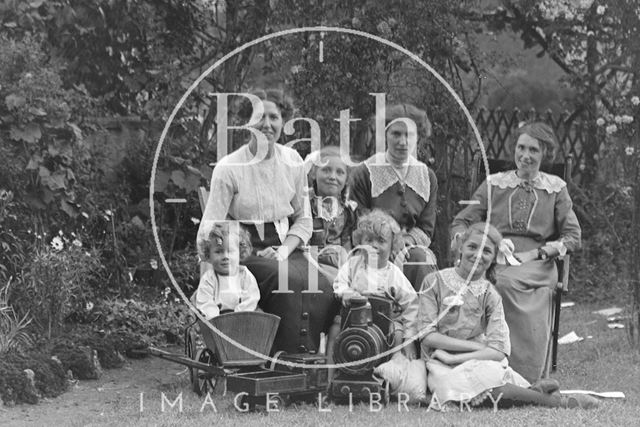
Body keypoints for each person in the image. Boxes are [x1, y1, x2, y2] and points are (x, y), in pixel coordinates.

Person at [197, 88, 339, 354]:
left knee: (320, 286)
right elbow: (210, 227)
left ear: (283, 122)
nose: (267, 124)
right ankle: (282, 356)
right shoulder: (229, 168)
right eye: (259, 117)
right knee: (284, 280)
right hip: (243, 249)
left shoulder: (292, 161)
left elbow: (303, 220)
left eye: (274, 117)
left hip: (285, 246)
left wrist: (284, 250)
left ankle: (307, 355)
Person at [450, 121, 581, 383]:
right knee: (497, 280)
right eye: (521, 148)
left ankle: (523, 372)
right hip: (495, 257)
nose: (525, 156)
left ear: (545, 154)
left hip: (537, 262)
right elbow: (462, 221)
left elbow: (573, 237)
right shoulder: (494, 184)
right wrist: (466, 243)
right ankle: (481, 364)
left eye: (533, 150)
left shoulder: (555, 188)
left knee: (508, 285)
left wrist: (538, 254)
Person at [419, 222, 598, 409]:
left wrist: (455, 357)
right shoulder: (434, 282)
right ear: (461, 247)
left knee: (490, 379)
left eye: (486, 251)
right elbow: (428, 335)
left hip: (477, 359)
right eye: (472, 247)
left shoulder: (490, 294)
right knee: (457, 387)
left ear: (494, 257)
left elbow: (497, 351)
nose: (478, 255)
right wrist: (458, 353)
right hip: (440, 364)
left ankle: (550, 400)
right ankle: (543, 397)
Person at [350, 103, 438, 291]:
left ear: (419, 137)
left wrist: (404, 244)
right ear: (385, 135)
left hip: (410, 249)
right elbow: (359, 222)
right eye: (396, 134)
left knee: (419, 260)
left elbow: (426, 227)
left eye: (409, 135)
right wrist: (388, 244)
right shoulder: (365, 173)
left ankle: (423, 318)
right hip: (372, 245)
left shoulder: (427, 176)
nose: (403, 142)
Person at [333, 210, 418, 359]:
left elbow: (412, 304)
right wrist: (346, 292)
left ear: (392, 246)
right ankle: (330, 375)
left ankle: (387, 374)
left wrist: (409, 338)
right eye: (369, 240)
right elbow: (339, 283)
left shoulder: (394, 274)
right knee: (335, 329)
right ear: (360, 242)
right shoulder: (353, 265)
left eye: (381, 240)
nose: (374, 245)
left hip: (384, 322)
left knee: (396, 335)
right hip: (353, 319)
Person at [306, 145, 358, 270]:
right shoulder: (304, 203)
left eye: (340, 172)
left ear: (346, 179)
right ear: (314, 173)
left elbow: (346, 243)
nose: (332, 177)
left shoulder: (348, 210)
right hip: (309, 262)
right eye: (326, 170)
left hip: (337, 264)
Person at [193, 223, 259, 319]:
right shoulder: (209, 279)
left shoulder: (244, 275)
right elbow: (205, 302)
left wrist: (239, 316)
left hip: (243, 319)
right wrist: (216, 320)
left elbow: (251, 298)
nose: (225, 257)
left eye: (230, 251)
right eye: (218, 252)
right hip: (218, 321)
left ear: (240, 252)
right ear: (209, 255)